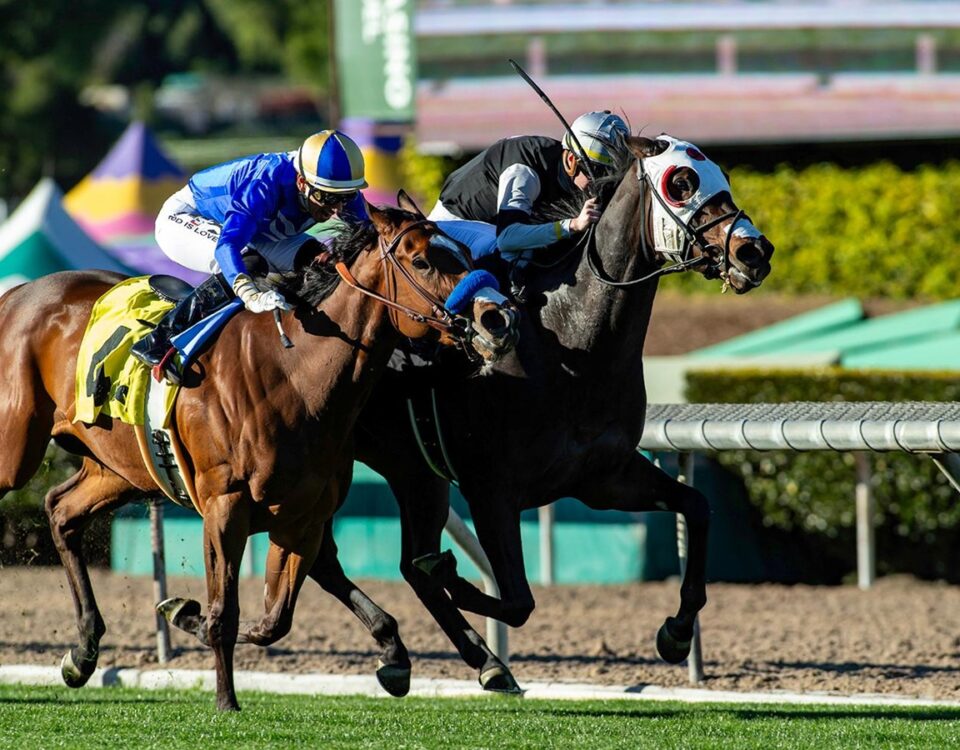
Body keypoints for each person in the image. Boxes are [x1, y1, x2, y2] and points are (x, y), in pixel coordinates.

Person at [131, 130, 368, 378]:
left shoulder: (336, 187)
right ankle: (158, 340)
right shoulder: (265, 182)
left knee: (322, 261)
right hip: (187, 218)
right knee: (248, 263)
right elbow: (228, 246)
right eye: (326, 198)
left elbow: (371, 237)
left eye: (345, 197)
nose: (336, 208)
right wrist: (248, 293)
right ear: (301, 182)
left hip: (258, 232)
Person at [427, 111, 630, 267]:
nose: (603, 181)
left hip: (490, 226)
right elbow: (508, 239)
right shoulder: (524, 172)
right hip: (449, 227)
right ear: (571, 160)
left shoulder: (565, 166)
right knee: (516, 250)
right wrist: (573, 225)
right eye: (599, 172)